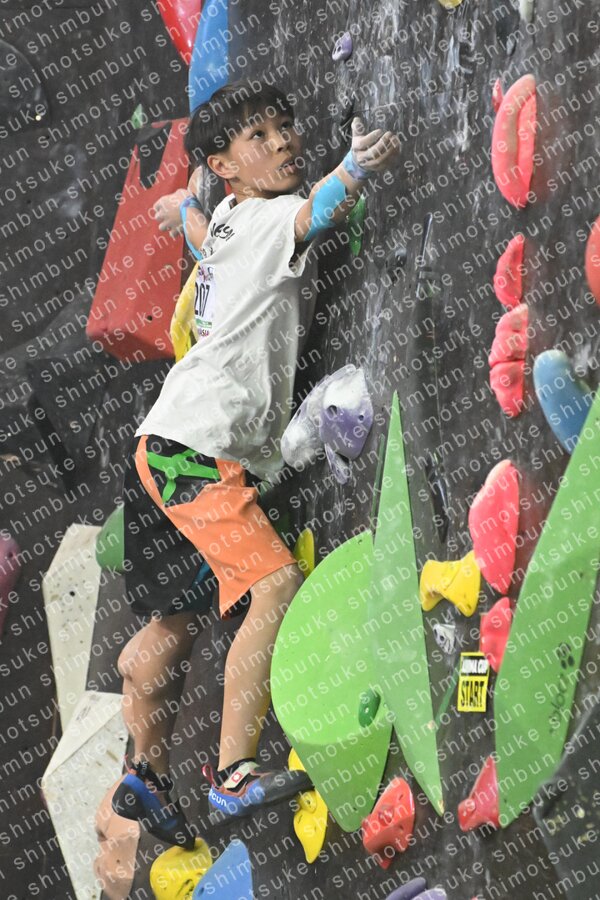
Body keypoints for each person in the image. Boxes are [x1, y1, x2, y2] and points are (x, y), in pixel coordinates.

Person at [111, 78, 401, 847]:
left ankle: (150, 771)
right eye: (259, 138)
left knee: (189, 611)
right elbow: (317, 213)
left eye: (283, 128)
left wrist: (185, 211)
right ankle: (233, 775)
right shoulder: (270, 217)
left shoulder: (232, 216)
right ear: (226, 165)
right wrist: (354, 167)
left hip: (172, 441)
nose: (282, 143)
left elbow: (209, 241)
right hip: (195, 447)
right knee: (273, 583)